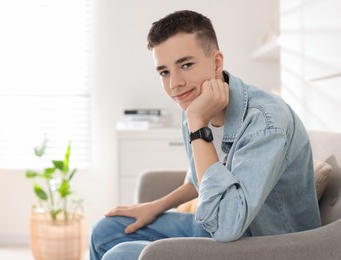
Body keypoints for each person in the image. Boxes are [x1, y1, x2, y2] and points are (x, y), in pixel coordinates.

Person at [90, 10, 321, 260]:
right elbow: (200, 182)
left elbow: (227, 225)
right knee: (105, 231)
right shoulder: (194, 104)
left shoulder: (265, 120)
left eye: (186, 65)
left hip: (265, 244)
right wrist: (153, 207)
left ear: (217, 62)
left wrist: (198, 124)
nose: (174, 84)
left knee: (121, 254)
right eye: (164, 72)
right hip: (219, 225)